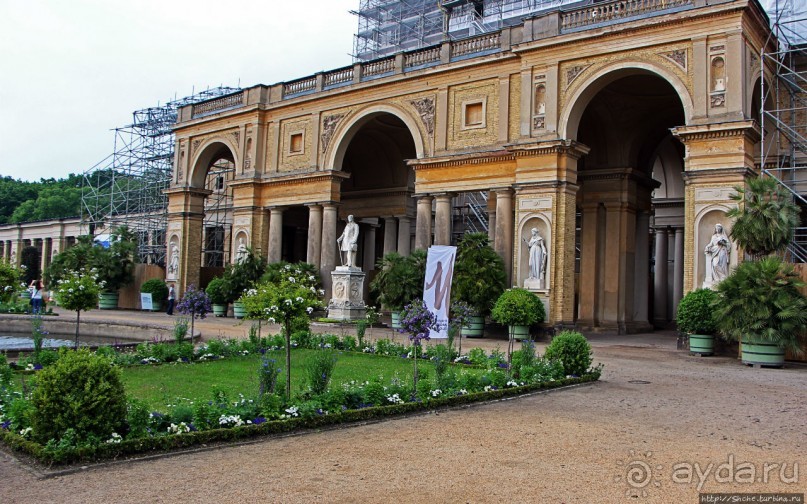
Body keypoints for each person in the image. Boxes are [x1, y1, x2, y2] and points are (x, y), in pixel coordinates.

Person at [704, 223, 731, 287]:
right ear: (715, 229)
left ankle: (722, 279)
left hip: (722, 251)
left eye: (719, 228)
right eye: (716, 228)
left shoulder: (724, 236)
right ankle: (719, 278)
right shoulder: (713, 236)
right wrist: (707, 247)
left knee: (722, 265)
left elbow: (728, 245)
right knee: (715, 265)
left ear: (721, 229)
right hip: (715, 251)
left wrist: (723, 243)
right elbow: (711, 244)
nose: (718, 229)